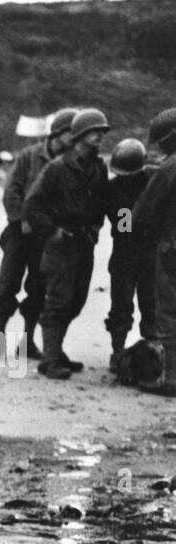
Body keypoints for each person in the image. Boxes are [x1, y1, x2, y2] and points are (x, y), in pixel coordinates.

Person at [0, 108, 79, 362]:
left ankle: (27, 342)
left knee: (38, 289)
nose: (73, 140)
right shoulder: (28, 156)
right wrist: (21, 219)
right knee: (7, 285)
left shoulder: (69, 163)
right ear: (57, 133)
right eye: (71, 133)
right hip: (20, 233)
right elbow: (11, 191)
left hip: (46, 236)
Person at [23, 107, 111, 379]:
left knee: (76, 301)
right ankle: (50, 359)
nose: (100, 136)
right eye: (95, 132)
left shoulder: (98, 167)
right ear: (81, 135)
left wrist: (99, 226)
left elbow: (104, 201)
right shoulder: (57, 168)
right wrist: (53, 232)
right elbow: (32, 204)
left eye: (102, 132)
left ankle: (55, 351)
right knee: (58, 301)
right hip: (61, 245)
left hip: (84, 242)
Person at [104, 138, 157, 375]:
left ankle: (153, 350)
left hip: (150, 254)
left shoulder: (155, 181)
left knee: (151, 303)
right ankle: (118, 350)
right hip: (125, 253)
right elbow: (124, 225)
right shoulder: (113, 190)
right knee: (121, 305)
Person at [133, 108, 176, 396]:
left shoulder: (169, 168)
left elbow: (140, 215)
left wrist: (123, 229)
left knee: (169, 314)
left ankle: (171, 377)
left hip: (171, 249)